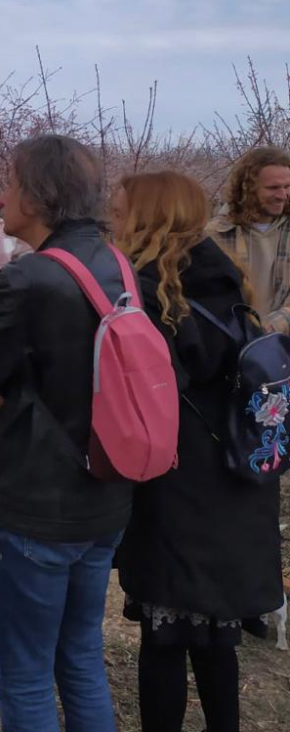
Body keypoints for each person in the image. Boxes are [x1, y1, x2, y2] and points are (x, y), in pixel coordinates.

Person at [0, 134, 131, 732]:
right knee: (80, 658)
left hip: (36, 505)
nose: (1, 195)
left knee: (24, 674)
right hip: (104, 491)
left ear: (41, 195)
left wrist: (3, 385)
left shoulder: (31, 278)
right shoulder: (114, 262)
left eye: (12, 182)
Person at [110, 172, 284, 732]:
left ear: (147, 218)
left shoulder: (149, 293)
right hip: (237, 478)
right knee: (215, 641)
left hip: (178, 484)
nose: (115, 218)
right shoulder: (227, 277)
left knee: (164, 642)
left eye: (122, 208)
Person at [207, 146, 290, 331]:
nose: (282, 195)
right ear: (248, 188)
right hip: (234, 346)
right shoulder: (215, 235)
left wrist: (269, 326)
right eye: (273, 188)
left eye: (287, 187)